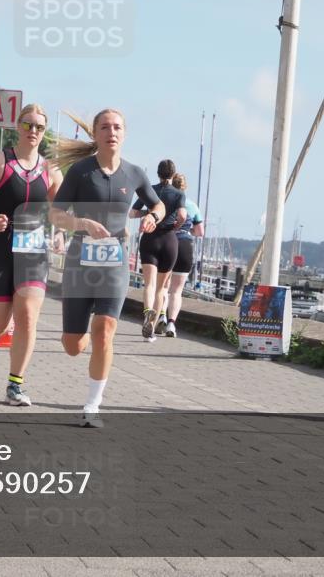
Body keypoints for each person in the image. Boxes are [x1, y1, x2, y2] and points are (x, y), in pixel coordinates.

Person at [49, 109, 163, 427]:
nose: (111, 132)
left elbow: (157, 203)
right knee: (73, 345)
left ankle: (92, 406)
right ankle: (80, 337)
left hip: (114, 263)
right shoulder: (80, 172)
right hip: (79, 264)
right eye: (105, 127)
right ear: (96, 134)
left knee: (105, 332)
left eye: (117, 127)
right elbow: (55, 214)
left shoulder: (135, 173)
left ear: (124, 134)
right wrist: (81, 222)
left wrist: (153, 216)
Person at [0, 104, 63, 406]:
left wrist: (61, 230)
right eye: (27, 125)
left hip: (33, 248)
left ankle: (15, 384)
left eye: (39, 127)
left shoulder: (50, 170)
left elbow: (59, 209)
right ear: (17, 127)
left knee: (28, 317)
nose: (33, 131)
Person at [129, 160, 186, 342]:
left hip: (150, 236)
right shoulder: (178, 194)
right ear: (173, 173)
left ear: (158, 173)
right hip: (169, 239)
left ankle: (147, 314)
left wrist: (148, 213)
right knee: (161, 288)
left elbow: (132, 212)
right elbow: (183, 215)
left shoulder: (150, 190)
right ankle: (152, 328)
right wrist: (176, 226)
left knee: (149, 285)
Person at [163, 173, 204, 337]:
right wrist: (189, 230)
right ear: (185, 187)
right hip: (185, 245)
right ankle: (171, 324)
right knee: (176, 291)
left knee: (163, 287)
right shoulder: (192, 206)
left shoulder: (165, 203)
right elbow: (200, 231)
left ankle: (161, 317)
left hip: (167, 243)